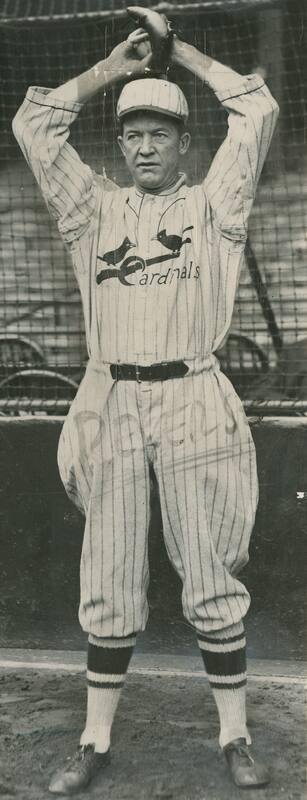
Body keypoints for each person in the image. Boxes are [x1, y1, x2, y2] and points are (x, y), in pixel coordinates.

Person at [12, 10, 279, 795]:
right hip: (111, 397)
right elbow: (34, 125)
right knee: (110, 570)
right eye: (133, 132)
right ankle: (93, 741)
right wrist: (112, 66)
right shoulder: (89, 211)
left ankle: (233, 735)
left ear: (184, 143)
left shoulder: (214, 208)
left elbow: (255, 110)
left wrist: (181, 53)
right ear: (119, 143)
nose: (145, 144)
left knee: (208, 570)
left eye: (161, 131)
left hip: (194, 392)